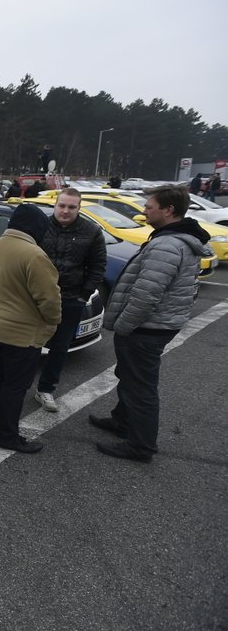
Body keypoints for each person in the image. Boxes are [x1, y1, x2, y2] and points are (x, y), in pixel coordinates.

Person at [92, 186, 212, 462]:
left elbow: (146, 295)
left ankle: (141, 445)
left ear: (168, 210)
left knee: (140, 386)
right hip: (156, 325)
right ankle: (122, 422)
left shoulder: (167, 245)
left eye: (149, 206)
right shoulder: (174, 238)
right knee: (130, 376)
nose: (144, 210)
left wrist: (123, 325)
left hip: (147, 327)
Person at [0, 203, 62, 453]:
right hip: (21, 333)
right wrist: (53, 321)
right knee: (14, 386)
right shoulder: (34, 255)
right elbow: (48, 298)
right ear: (36, 228)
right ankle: (8, 436)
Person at [34, 189, 106, 412]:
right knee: (29, 344)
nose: (65, 211)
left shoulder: (92, 231)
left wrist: (83, 295)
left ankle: (46, 389)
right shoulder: (40, 227)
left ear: (79, 207)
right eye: (62, 206)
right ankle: (17, 386)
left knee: (60, 348)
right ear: (55, 205)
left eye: (71, 207)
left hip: (70, 298)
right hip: (37, 298)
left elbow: (98, 267)